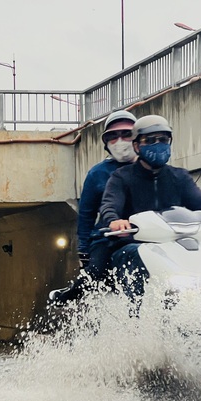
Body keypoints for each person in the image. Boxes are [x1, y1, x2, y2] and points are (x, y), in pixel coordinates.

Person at [51, 113, 201, 304]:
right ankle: (133, 315)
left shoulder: (179, 177)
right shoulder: (120, 177)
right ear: (137, 145)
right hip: (124, 241)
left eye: (163, 139)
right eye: (149, 140)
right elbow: (109, 204)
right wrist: (114, 221)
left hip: (170, 241)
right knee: (99, 270)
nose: (157, 144)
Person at [49, 110, 138, 303]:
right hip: (108, 238)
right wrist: (84, 250)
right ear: (106, 143)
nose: (120, 141)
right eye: (113, 136)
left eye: (126, 134)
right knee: (95, 272)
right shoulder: (98, 173)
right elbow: (87, 214)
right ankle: (72, 294)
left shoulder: (152, 170)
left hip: (149, 236)